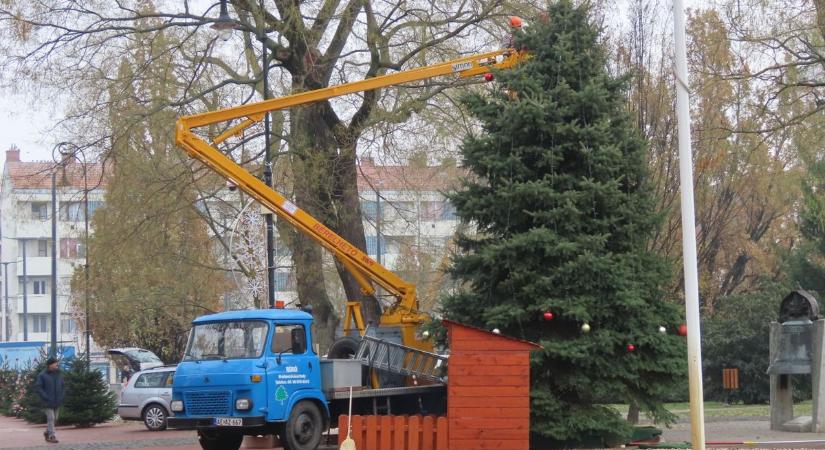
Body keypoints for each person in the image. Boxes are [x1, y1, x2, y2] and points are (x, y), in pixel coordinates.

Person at [35, 357, 64, 444]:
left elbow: (63, 386)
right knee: (51, 418)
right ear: (50, 365)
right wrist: (45, 396)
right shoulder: (42, 375)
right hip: (47, 401)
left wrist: (62, 396)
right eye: (55, 363)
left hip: (57, 400)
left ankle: (47, 432)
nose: (57, 365)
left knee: (55, 419)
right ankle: (52, 436)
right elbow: (38, 387)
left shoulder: (59, 374)